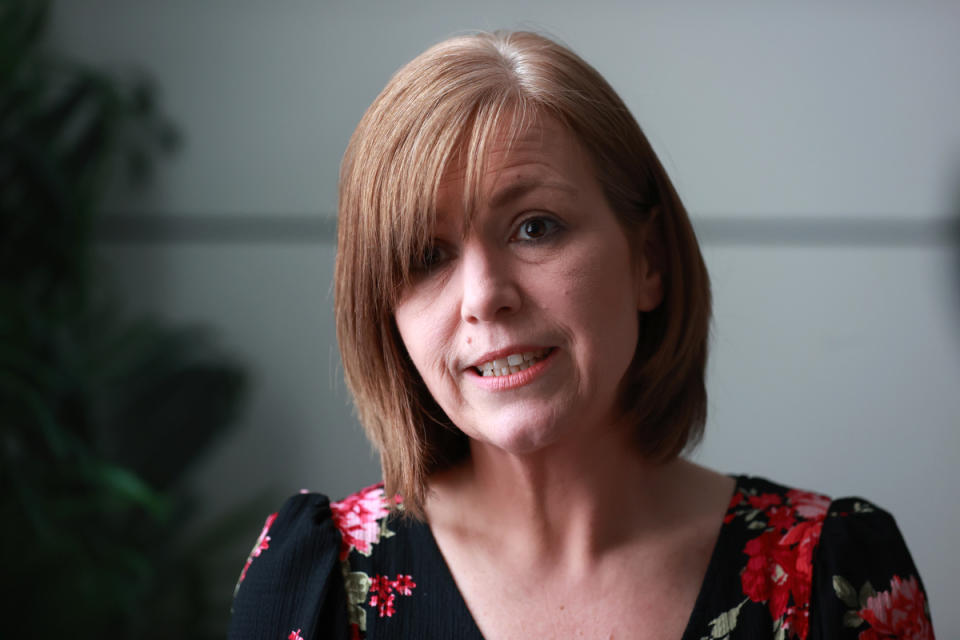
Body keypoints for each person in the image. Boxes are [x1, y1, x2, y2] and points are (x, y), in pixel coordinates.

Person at [227, 31, 934, 640]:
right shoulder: (319, 583)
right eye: (426, 256)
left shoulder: (831, 575)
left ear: (648, 261)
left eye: (535, 227)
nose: (484, 298)